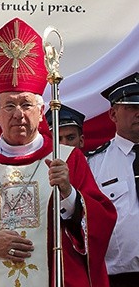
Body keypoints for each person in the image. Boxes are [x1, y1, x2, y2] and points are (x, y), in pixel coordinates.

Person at [0, 18, 116, 287]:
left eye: (26, 104)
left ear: (41, 111)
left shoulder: (66, 158)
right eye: (9, 106)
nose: (18, 114)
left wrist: (69, 193)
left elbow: (103, 223)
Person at [86, 72, 139, 287]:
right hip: (119, 277)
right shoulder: (94, 164)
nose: (138, 113)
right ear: (113, 114)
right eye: (131, 107)